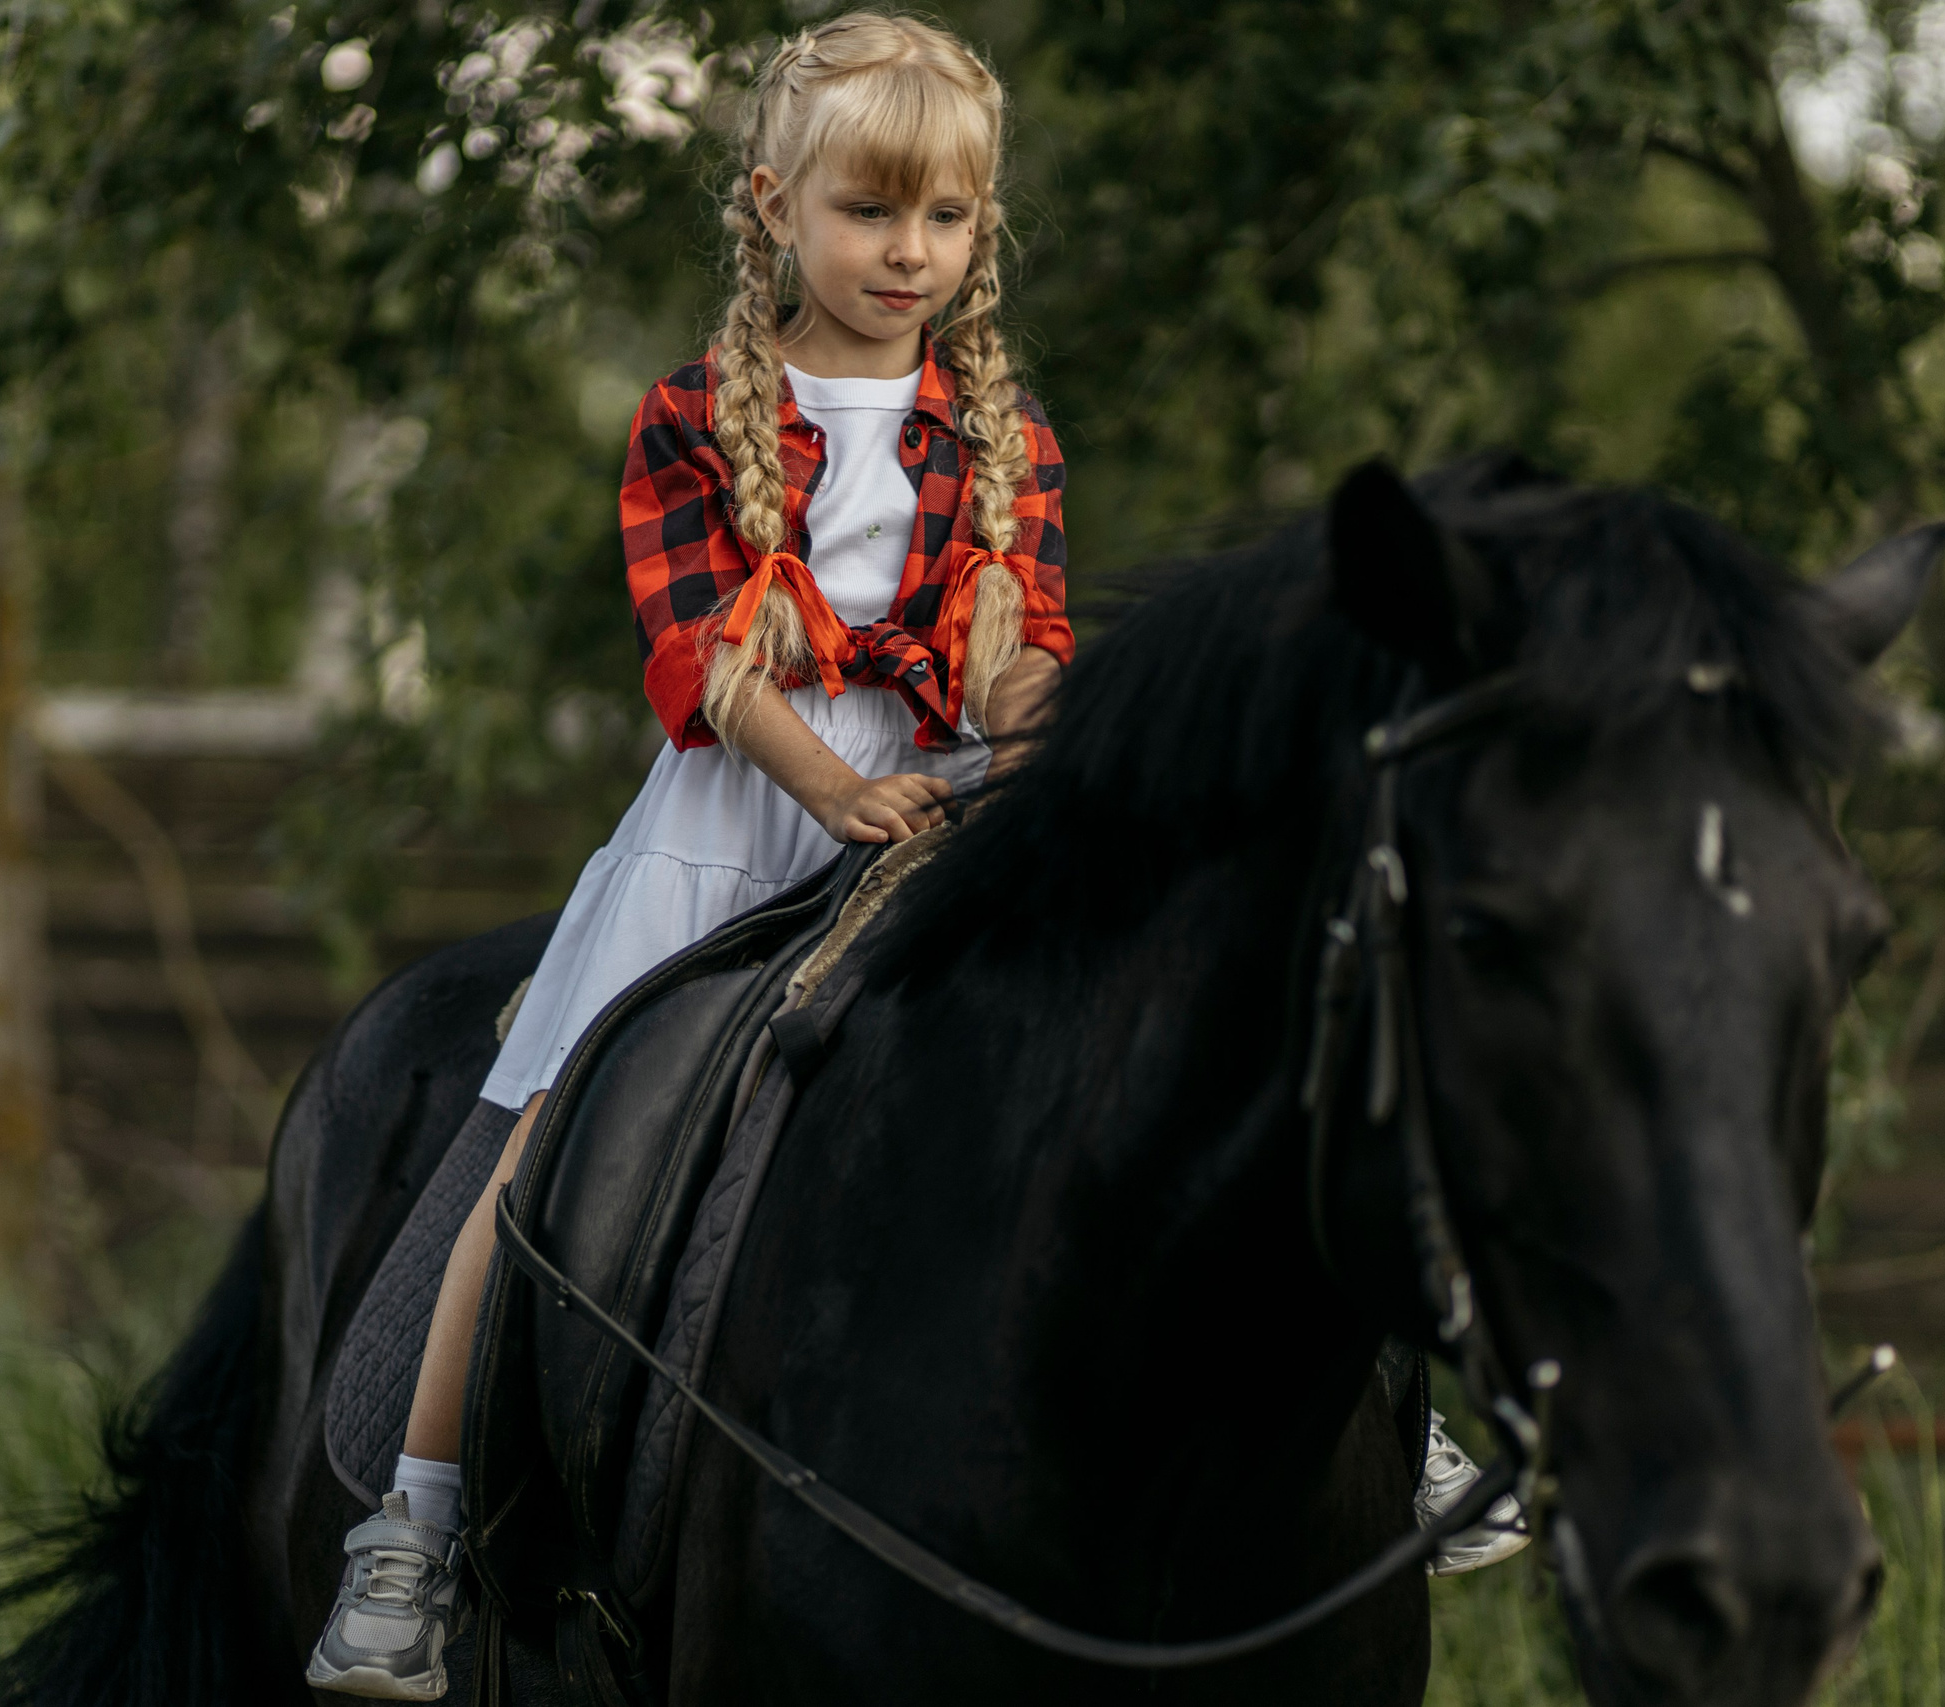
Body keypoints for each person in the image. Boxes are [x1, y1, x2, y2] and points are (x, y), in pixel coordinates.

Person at [307, 13, 1510, 1695]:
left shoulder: (1001, 430)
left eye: (946, 219)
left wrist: (1035, 734)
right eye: (872, 213)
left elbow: (1029, 637)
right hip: (747, 807)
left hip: (959, 804)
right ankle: (415, 1531)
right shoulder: (684, 420)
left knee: (1203, 1055)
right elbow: (702, 657)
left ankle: (1394, 1419)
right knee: (540, 1143)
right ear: (773, 205)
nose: (910, 255)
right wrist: (829, 787)